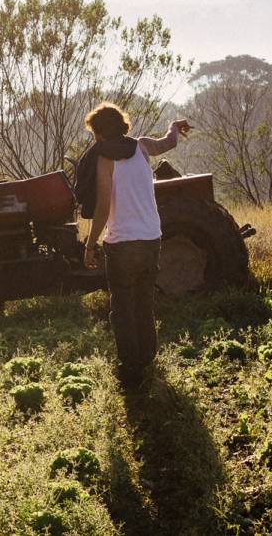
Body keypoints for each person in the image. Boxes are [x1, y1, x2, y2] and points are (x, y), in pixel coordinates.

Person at [81, 103, 191, 388]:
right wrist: (174, 126)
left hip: (121, 242)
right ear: (122, 126)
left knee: (123, 308)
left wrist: (90, 244)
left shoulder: (104, 160)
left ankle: (131, 370)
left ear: (99, 133)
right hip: (151, 237)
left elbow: (103, 207)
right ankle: (147, 358)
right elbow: (168, 143)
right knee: (144, 301)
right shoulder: (141, 147)